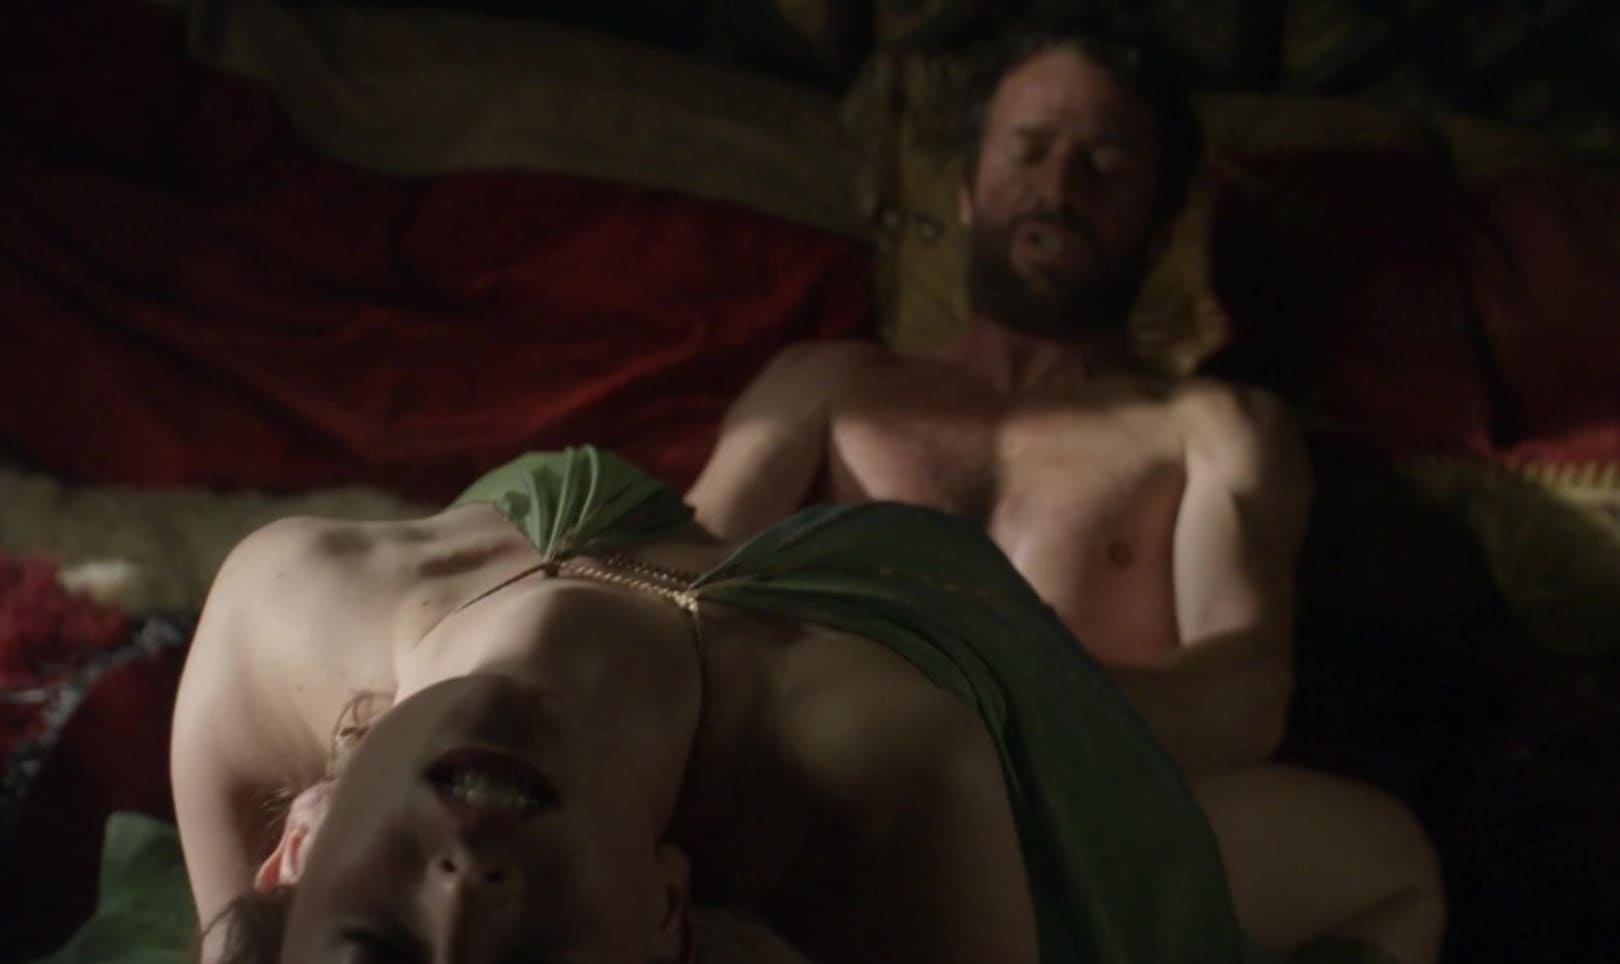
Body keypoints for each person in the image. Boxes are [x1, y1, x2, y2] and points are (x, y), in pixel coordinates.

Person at [687, 13, 1443, 964]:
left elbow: (1244, 689)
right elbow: (674, 588)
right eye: (1029, 148)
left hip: (1082, 835)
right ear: (968, 191)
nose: (1059, 185)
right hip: (832, 798)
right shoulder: (826, 385)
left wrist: (998, 719)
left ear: (1163, 218)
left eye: (1107, 159)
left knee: (1386, 858)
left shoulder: (1212, 427)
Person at [171, 447, 1382, 964]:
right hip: (1044, 733)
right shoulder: (891, 781)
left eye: (379, 955)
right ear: (668, 910)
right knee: (1394, 866)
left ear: (300, 841)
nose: (463, 890)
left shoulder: (278, 610)